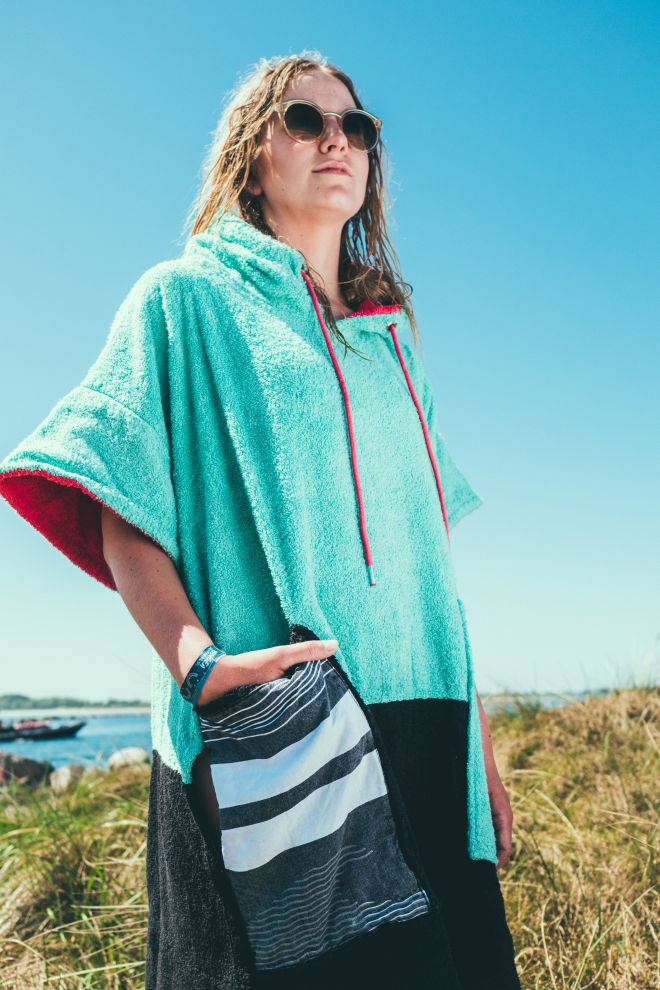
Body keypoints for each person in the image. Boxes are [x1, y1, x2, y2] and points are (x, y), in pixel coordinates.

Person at [0, 50, 521, 989]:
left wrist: (477, 745)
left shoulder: (395, 344)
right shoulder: (182, 300)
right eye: (305, 119)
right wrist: (199, 666)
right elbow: (122, 505)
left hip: (427, 722)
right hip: (277, 726)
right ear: (251, 154)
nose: (337, 140)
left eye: (356, 125)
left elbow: (430, 563)